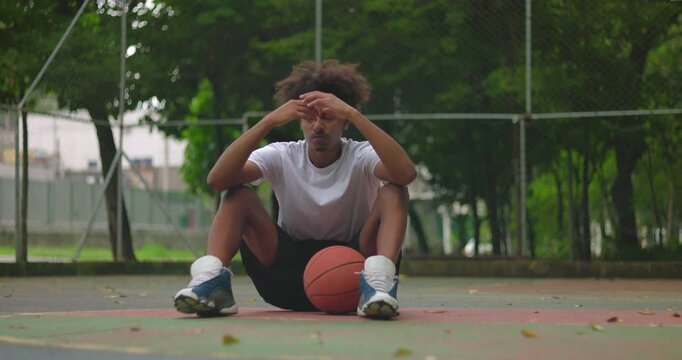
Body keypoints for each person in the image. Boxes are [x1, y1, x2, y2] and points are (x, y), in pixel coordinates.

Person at [173, 59, 416, 319]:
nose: (317, 126)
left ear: (345, 121)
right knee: (237, 195)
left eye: (327, 116)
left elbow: (406, 174)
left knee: (394, 190)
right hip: (288, 276)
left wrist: (356, 114)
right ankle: (211, 284)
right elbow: (217, 180)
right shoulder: (281, 154)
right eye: (309, 118)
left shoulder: (361, 155)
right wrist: (267, 122)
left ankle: (379, 285)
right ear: (298, 121)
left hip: (353, 273)